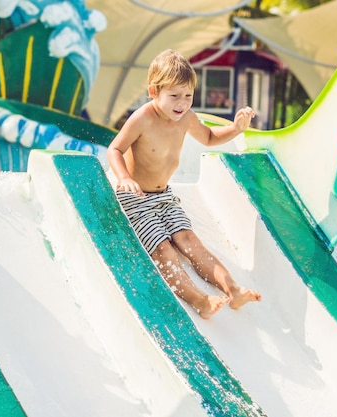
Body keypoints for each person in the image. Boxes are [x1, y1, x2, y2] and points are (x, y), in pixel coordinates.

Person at [107, 49, 261, 319]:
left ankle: (233, 290)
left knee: (190, 241)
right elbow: (115, 150)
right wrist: (125, 178)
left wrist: (236, 129)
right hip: (136, 198)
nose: (182, 103)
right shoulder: (142, 118)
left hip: (164, 196)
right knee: (164, 249)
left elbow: (210, 138)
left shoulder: (187, 118)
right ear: (154, 91)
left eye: (188, 95)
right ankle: (200, 301)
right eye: (174, 96)